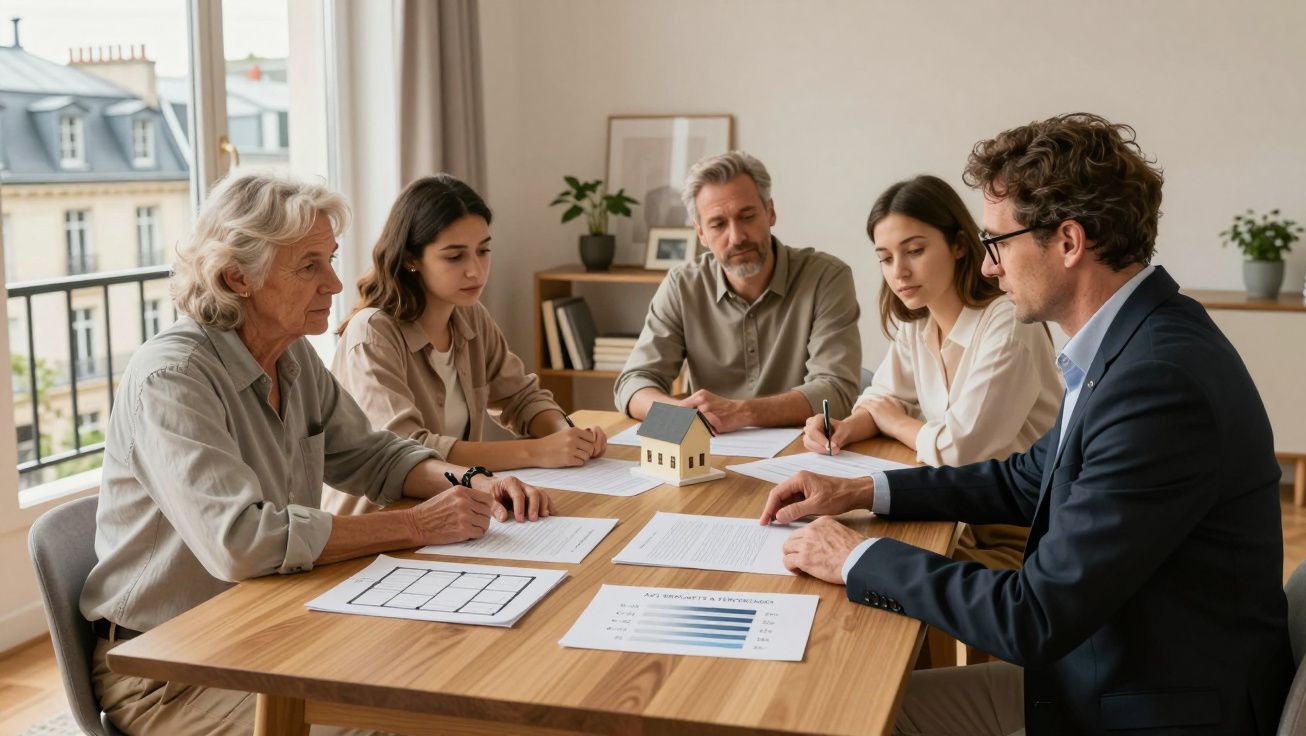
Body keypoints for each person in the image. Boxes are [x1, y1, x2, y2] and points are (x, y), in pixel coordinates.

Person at [762, 113, 1293, 735]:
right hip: (1104, 671)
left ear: (1068, 242)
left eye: (996, 244)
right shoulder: (1131, 341)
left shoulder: (1158, 382)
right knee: (855, 714)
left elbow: (1032, 615)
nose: (988, 268)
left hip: (1148, 706)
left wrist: (857, 557)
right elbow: (1025, 478)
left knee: (844, 717)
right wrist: (863, 492)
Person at [80, 173, 552, 736]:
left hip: (269, 624)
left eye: (329, 259)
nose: (334, 282)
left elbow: (373, 455)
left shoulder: (294, 357)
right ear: (238, 276)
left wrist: (471, 479)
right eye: (309, 266)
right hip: (171, 670)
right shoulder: (173, 377)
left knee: (459, 679)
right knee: (391, 722)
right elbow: (242, 541)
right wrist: (417, 525)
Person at [800, 175, 1062, 569]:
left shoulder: (1008, 325)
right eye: (886, 259)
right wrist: (846, 426)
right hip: (959, 509)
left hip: (1020, 528)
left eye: (914, 251)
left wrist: (894, 421)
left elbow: (959, 452)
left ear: (959, 244)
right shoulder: (917, 321)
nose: (899, 271)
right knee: (832, 550)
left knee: (864, 567)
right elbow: (882, 396)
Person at [322, 175, 606, 516]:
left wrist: (566, 437)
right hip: (384, 523)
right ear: (412, 258)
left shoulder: (470, 316)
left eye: (483, 251)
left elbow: (520, 397)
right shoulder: (372, 333)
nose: (476, 271)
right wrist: (538, 452)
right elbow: (409, 450)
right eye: (455, 257)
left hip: (454, 514)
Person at [614, 151, 861, 433]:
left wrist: (741, 412)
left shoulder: (826, 277)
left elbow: (837, 390)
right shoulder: (682, 285)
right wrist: (677, 416)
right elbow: (633, 383)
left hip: (803, 450)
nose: (737, 237)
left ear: (770, 212)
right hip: (710, 451)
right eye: (718, 224)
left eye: (747, 216)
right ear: (701, 234)